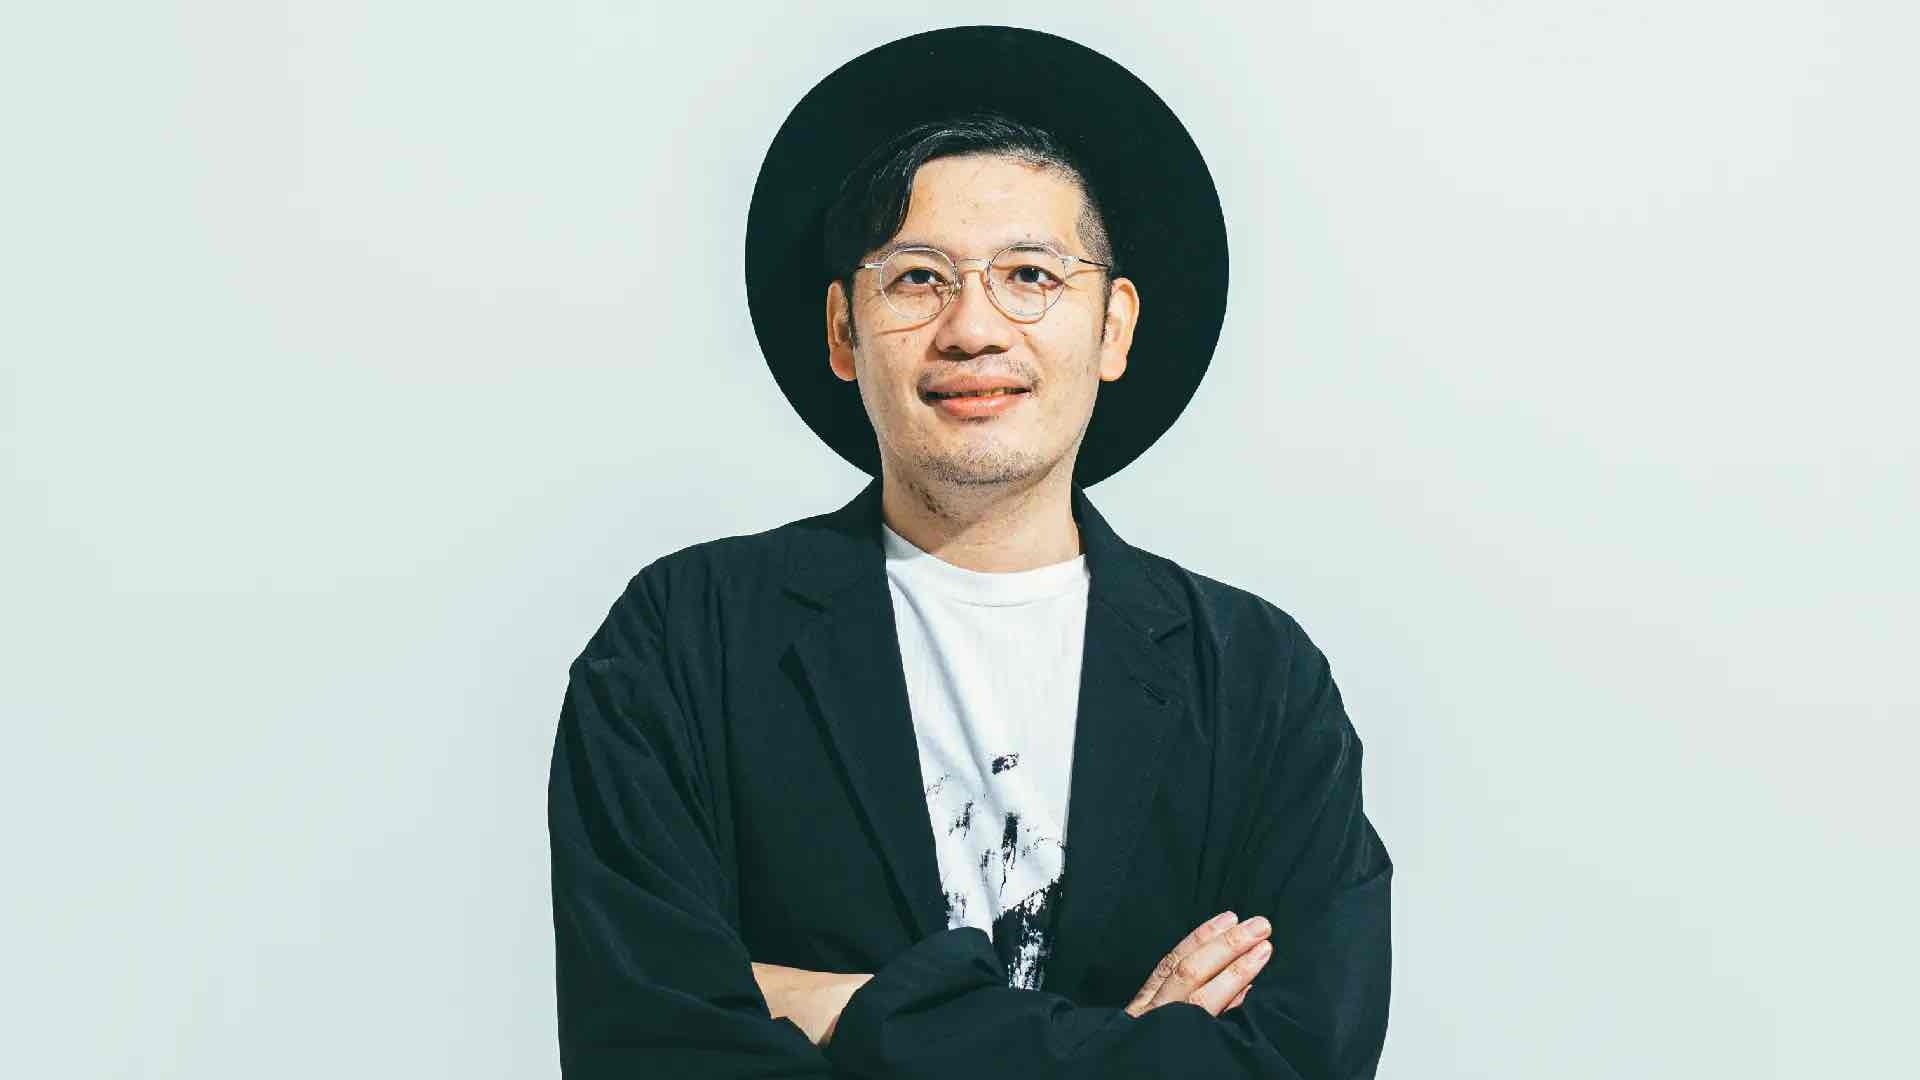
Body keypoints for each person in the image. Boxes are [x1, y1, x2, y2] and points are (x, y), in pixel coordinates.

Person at [547, 26, 1393, 1079]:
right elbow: (643, 1042)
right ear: (843, 331)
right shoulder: (689, 637)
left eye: (1030, 274)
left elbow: (1300, 1062)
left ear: (1113, 327)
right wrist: (1128, 1050)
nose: (972, 329)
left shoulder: (1255, 677)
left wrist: (842, 1007)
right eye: (917, 279)